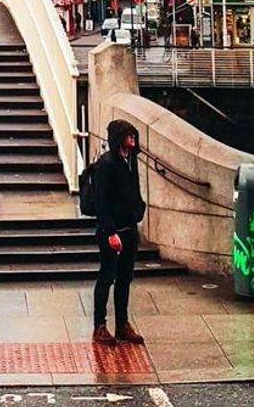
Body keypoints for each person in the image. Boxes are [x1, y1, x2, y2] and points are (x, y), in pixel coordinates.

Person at [92, 119, 146, 346]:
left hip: (129, 227)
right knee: (107, 276)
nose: (132, 139)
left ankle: (122, 324)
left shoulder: (131, 161)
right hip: (112, 231)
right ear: (118, 138)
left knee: (125, 278)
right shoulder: (106, 164)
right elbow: (101, 202)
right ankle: (100, 326)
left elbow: (134, 189)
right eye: (128, 135)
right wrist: (110, 232)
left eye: (134, 135)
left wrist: (139, 208)